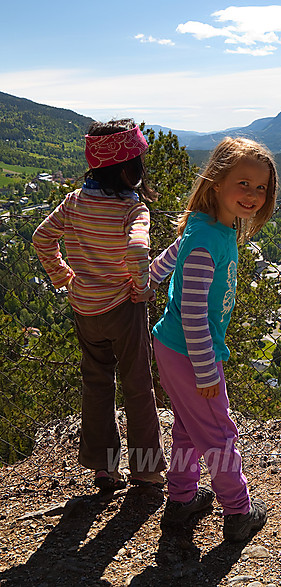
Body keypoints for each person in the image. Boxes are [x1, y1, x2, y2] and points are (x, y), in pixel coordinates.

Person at [149, 136, 276, 542]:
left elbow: (174, 251)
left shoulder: (206, 225)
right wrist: (206, 373)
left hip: (176, 349)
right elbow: (192, 315)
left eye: (261, 188)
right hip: (191, 352)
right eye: (244, 184)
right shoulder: (208, 241)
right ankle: (239, 511)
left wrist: (149, 277)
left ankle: (182, 499)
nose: (253, 195)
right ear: (217, 182)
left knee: (188, 426)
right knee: (219, 433)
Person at [32, 119, 166, 491]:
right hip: (123, 307)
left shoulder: (73, 202)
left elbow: (42, 237)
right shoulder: (133, 210)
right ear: (128, 170)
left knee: (96, 381)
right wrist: (143, 288)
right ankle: (146, 469)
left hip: (84, 308)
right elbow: (139, 251)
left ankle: (103, 467)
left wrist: (63, 278)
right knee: (137, 384)